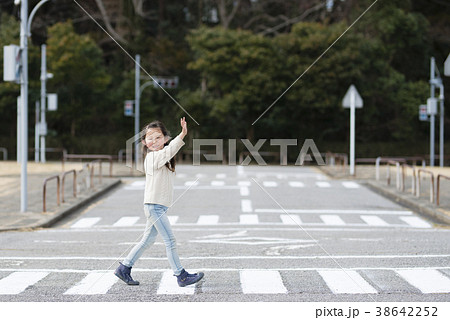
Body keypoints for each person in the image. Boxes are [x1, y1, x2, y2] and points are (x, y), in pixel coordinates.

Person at [114, 117, 204, 287]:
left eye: (158, 137)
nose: (154, 141)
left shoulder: (163, 158)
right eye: (150, 138)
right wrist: (183, 135)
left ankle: (124, 268)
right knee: (170, 241)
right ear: (144, 142)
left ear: (165, 138)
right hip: (154, 207)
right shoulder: (152, 157)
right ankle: (181, 275)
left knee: (147, 241)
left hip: (156, 206)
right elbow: (168, 152)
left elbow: (168, 153)